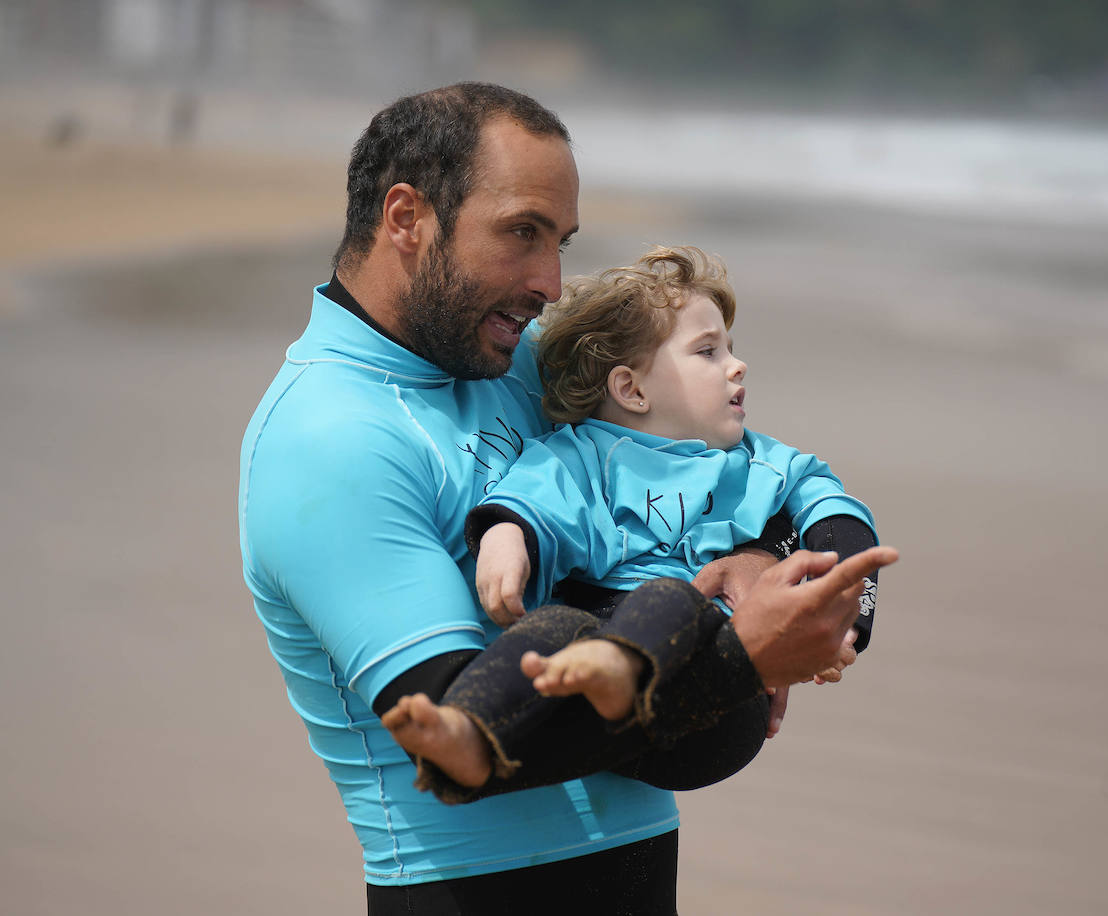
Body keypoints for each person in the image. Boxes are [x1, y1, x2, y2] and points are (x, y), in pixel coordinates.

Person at [237, 82, 897, 914]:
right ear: (406, 218)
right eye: (521, 234)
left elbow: (700, 460)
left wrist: (752, 561)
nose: (552, 284)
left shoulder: (518, 354)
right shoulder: (329, 438)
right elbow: (457, 735)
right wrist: (739, 659)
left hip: (640, 869)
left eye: (562, 242)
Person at [382, 245, 883, 794]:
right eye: (707, 351)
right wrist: (505, 537)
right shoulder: (581, 455)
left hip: (717, 698)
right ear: (631, 389)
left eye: (730, 349)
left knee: (672, 598)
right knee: (547, 630)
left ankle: (622, 669)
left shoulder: (761, 462)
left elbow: (835, 515)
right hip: (596, 697)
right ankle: (471, 734)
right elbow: (529, 502)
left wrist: (846, 621)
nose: (737, 366)